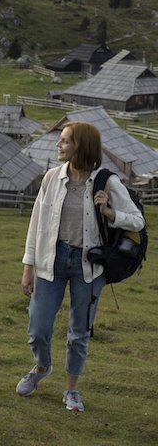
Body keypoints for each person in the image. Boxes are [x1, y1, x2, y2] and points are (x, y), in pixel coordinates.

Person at [17, 121, 144, 411]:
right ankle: (42, 367)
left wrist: (110, 212)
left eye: (64, 140)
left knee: (79, 331)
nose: (58, 144)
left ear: (81, 146)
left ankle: (71, 390)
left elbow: (137, 220)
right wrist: (28, 266)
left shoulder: (107, 181)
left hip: (89, 265)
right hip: (52, 259)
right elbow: (36, 224)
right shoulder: (51, 178)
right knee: (38, 327)